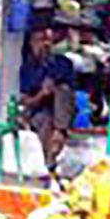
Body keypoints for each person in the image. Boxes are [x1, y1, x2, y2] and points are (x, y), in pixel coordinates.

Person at [19, 27, 75, 169]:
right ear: (30, 44)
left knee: (63, 89)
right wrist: (42, 94)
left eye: (48, 40)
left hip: (61, 113)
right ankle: (48, 163)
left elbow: (70, 93)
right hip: (37, 111)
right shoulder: (27, 68)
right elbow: (25, 102)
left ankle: (60, 131)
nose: (44, 44)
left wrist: (54, 88)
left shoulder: (63, 63)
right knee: (43, 120)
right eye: (39, 41)